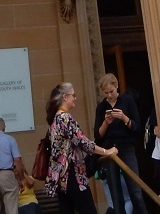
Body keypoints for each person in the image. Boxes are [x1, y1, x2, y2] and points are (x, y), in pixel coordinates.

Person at [45, 82, 117, 214]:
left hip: (60, 176)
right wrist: (107, 151)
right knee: (88, 210)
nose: (75, 98)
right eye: (73, 95)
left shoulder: (55, 119)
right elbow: (83, 142)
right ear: (65, 97)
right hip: (72, 173)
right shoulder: (65, 118)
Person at [93, 73, 147, 214]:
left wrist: (124, 118)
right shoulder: (101, 107)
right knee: (116, 196)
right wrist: (106, 122)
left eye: (111, 92)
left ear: (116, 86)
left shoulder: (127, 100)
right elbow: (98, 136)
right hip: (109, 151)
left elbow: (137, 127)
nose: (109, 96)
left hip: (126, 147)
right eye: (106, 93)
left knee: (135, 192)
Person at [0, 117, 26, 214]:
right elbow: (17, 160)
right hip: (8, 174)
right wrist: (21, 178)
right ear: (4, 128)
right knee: (11, 208)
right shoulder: (10, 140)